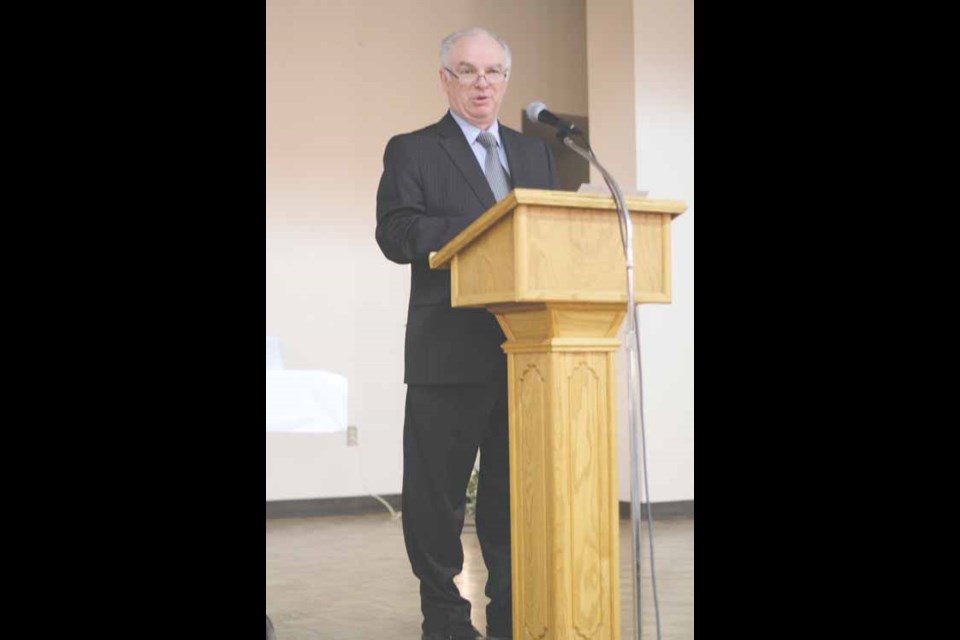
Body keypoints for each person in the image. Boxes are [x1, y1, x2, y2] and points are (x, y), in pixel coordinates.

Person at [375, 27, 559, 640]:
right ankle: (447, 619)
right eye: (468, 71)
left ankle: (511, 616)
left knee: (511, 503)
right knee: (437, 503)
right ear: (445, 80)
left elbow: (548, 239)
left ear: (506, 80)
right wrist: (485, 222)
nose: (482, 83)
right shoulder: (413, 150)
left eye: (493, 72)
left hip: (525, 353)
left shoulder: (534, 155)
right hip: (446, 355)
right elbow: (396, 234)